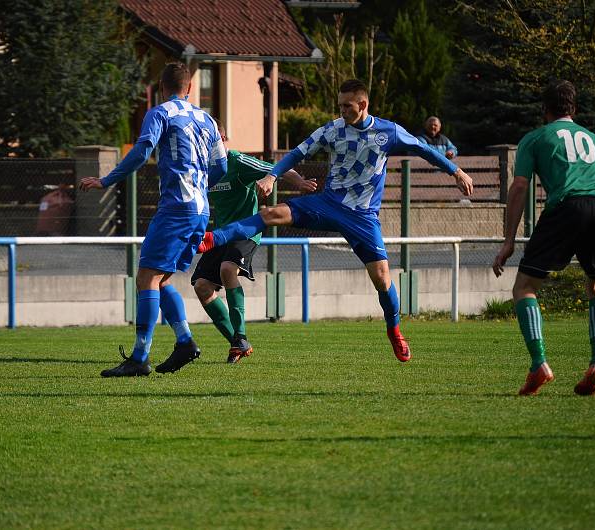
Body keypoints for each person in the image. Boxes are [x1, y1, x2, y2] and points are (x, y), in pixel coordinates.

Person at [198, 79, 474, 361]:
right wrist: (271, 176)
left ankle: (394, 329)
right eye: (340, 105)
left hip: (362, 216)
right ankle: (213, 238)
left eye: (347, 105)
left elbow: (424, 150)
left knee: (381, 279)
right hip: (328, 204)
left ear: (363, 105)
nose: (341, 110)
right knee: (271, 213)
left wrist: (456, 171)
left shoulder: (388, 132)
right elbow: (298, 152)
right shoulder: (332, 130)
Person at [80, 62, 227, 377]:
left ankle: (139, 358)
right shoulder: (208, 120)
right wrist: (199, 187)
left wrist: (107, 180)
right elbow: (222, 167)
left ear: (162, 88)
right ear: (189, 88)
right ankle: (185, 341)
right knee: (162, 279)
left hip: (177, 208)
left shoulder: (160, 113)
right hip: (201, 209)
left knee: (146, 277)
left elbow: (142, 149)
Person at [492, 80, 595, 396]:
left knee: (524, 287)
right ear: (574, 109)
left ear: (544, 109)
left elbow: (520, 186)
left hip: (566, 206)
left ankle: (539, 363)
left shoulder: (535, 138)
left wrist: (508, 240)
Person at [193, 125, 317, 363]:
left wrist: (299, 182)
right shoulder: (202, 168)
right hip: (220, 233)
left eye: (215, 139)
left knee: (228, 269)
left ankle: (239, 335)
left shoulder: (238, 162)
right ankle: (238, 343)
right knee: (201, 286)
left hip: (246, 231)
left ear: (224, 139)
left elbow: (278, 168)